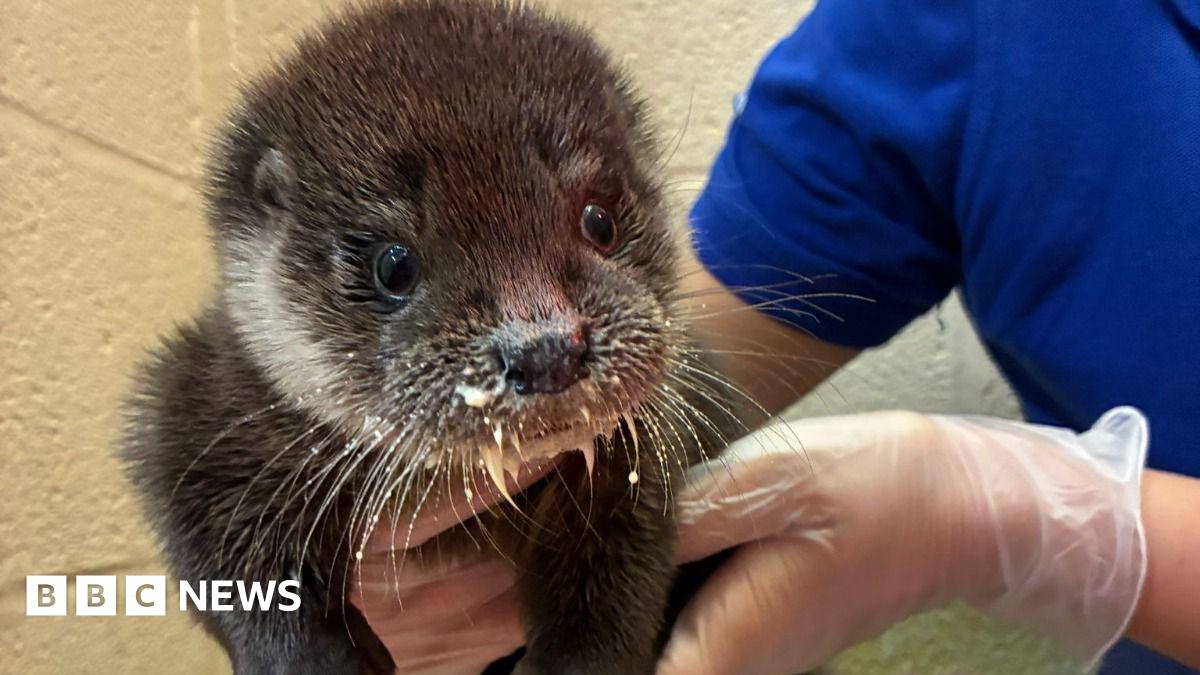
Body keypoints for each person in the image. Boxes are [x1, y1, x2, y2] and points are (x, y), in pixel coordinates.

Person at [354, 0, 1200, 672]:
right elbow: (698, 378)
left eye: (598, 226)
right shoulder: (964, 23)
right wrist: (278, 595)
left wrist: (1012, 519)